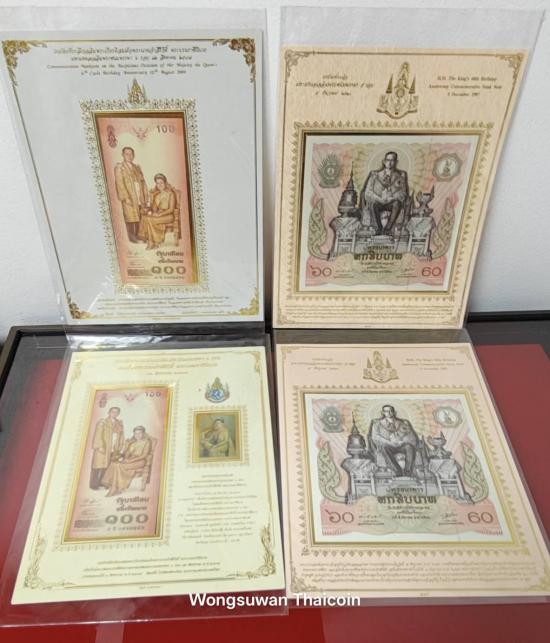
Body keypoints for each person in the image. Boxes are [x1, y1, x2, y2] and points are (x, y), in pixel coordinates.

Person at [359, 151, 409, 235]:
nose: (389, 163)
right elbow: (368, 192)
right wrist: (379, 199)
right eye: (387, 160)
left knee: (397, 204)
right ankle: (378, 229)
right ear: (384, 161)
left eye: (392, 160)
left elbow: (403, 193)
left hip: (391, 203)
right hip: (378, 202)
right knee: (373, 204)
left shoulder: (400, 176)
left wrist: (391, 198)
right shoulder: (374, 175)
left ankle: (387, 229)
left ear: (396, 162)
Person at [101, 426, 153, 496]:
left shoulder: (146, 442)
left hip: (140, 461)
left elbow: (144, 455)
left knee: (118, 466)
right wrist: (126, 452)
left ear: (143, 433)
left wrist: (129, 461)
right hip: (130, 459)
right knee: (114, 464)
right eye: (135, 433)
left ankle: (115, 488)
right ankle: (115, 487)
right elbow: (127, 454)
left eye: (139, 433)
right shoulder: (133, 443)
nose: (137, 435)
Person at [368, 405, 418, 477]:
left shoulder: (402, 423)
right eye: (386, 411)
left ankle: (408, 471)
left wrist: (402, 441)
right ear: (383, 412)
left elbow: (411, 435)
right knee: (384, 447)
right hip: (388, 445)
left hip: (401, 445)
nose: (389, 413)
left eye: (391, 411)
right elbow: (375, 437)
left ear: (394, 412)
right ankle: (397, 471)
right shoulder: (377, 423)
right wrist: (389, 442)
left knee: (409, 447)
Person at [114, 147, 148, 243]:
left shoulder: (137, 167)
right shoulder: (120, 167)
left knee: (139, 214)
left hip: (138, 195)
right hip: (129, 195)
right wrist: (125, 198)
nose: (129, 156)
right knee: (130, 215)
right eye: (127, 154)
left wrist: (145, 195)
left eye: (131, 154)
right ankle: (132, 237)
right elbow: (119, 183)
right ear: (123, 155)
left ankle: (139, 235)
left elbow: (143, 182)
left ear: (133, 155)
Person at [138, 173, 177, 250]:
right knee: (145, 218)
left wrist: (159, 215)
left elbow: (171, 209)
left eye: (161, 183)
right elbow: (154, 209)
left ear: (165, 183)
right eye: (157, 183)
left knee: (149, 220)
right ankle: (152, 242)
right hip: (159, 214)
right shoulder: (157, 195)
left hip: (168, 216)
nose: (159, 185)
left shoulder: (171, 194)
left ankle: (152, 242)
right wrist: (149, 210)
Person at [90, 407, 125, 490]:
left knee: (108, 466)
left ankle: (103, 482)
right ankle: (94, 484)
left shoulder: (119, 424)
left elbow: (121, 436)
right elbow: (98, 434)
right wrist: (99, 446)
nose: (114, 413)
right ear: (109, 412)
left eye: (116, 412)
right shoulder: (103, 422)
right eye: (113, 412)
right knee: (98, 466)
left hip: (113, 448)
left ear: (118, 414)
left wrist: (120, 447)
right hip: (103, 447)